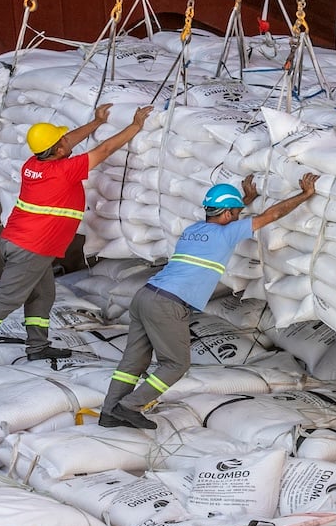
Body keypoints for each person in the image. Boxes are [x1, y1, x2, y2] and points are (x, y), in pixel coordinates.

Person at [98, 172, 319, 429]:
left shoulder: (194, 230)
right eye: (235, 213)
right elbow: (271, 215)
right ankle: (129, 407)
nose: (237, 217)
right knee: (176, 365)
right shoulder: (225, 234)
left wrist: (244, 200)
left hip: (146, 295)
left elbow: (225, 217)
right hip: (169, 304)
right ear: (226, 215)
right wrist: (304, 195)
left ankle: (109, 412)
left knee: (133, 362)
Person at [0, 103, 153, 364]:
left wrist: (97, 122)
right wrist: (135, 126)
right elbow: (104, 149)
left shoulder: (33, 164)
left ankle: (37, 346)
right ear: (57, 151)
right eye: (62, 142)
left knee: (43, 295)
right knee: (7, 296)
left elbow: (66, 141)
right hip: (30, 248)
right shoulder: (64, 171)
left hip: (24, 243)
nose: (67, 142)